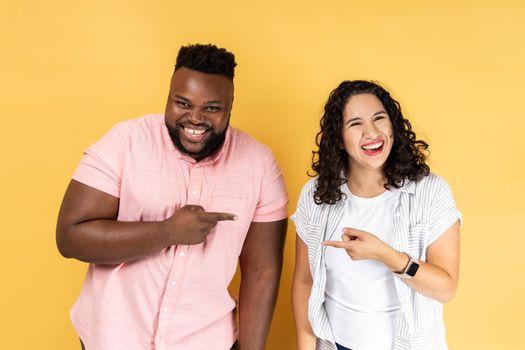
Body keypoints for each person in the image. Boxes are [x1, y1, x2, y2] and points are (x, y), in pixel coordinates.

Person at [56, 43, 288, 350]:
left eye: (211, 108)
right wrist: (168, 232)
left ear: (230, 106)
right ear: (168, 96)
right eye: (182, 103)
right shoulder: (124, 143)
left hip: (206, 341)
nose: (194, 118)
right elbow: (69, 237)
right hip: (112, 338)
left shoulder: (260, 165)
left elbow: (262, 271)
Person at [291, 80, 461, 350]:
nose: (371, 132)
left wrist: (386, 255)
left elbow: (446, 288)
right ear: (339, 139)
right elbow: (304, 280)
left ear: (393, 126)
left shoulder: (431, 192)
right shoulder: (316, 195)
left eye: (379, 118)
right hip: (335, 345)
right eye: (355, 123)